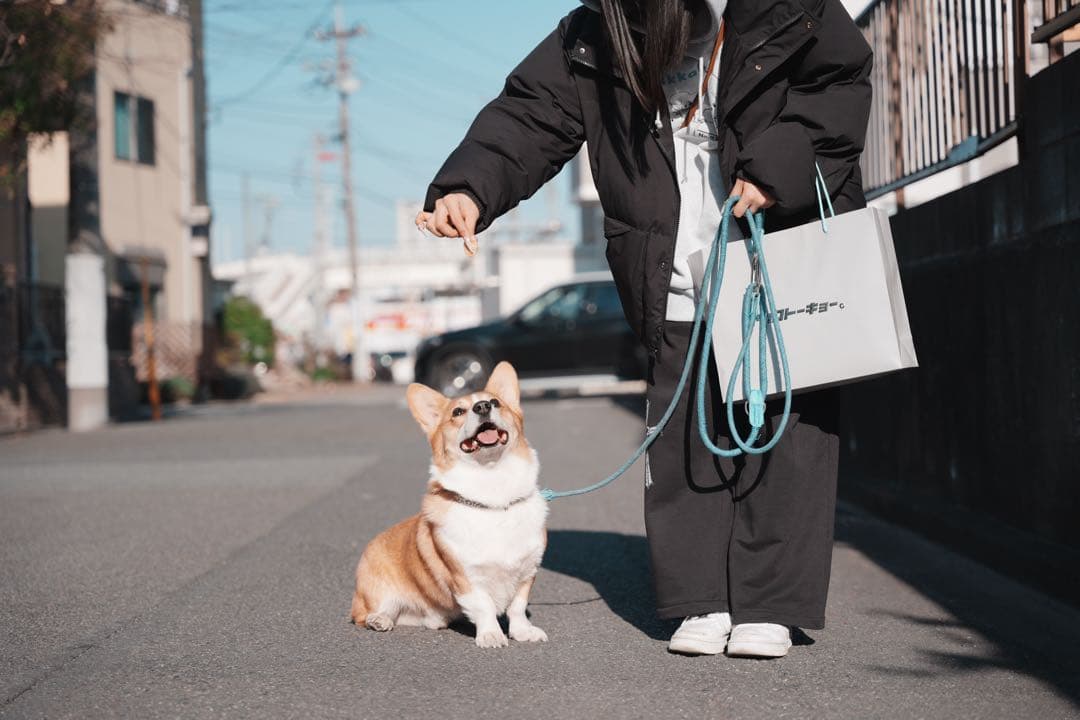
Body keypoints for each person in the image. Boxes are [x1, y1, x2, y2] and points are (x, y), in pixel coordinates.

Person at [417, 0, 872, 658]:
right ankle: (701, 600)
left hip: (777, 258)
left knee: (787, 436)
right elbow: (529, 115)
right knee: (683, 438)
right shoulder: (599, 28)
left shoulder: (789, 4)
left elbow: (839, 83)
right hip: (671, 267)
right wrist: (469, 187)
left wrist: (777, 169)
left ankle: (770, 604)